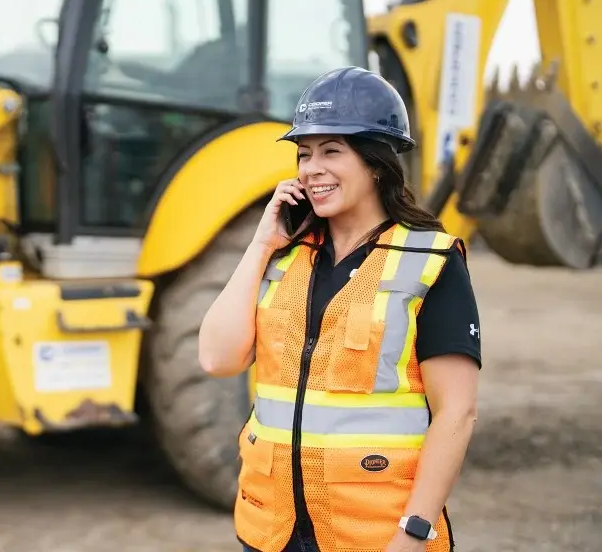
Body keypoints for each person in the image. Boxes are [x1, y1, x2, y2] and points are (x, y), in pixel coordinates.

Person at [198, 66, 481, 552]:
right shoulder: (283, 255)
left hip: (374, 536)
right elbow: (217, 359)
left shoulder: (431, 262)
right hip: (271, 530)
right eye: (305, 154)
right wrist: (262, 243)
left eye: (332, 151)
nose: (311, 169)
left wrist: (414, 532)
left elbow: (457, 411)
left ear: (375, 163)